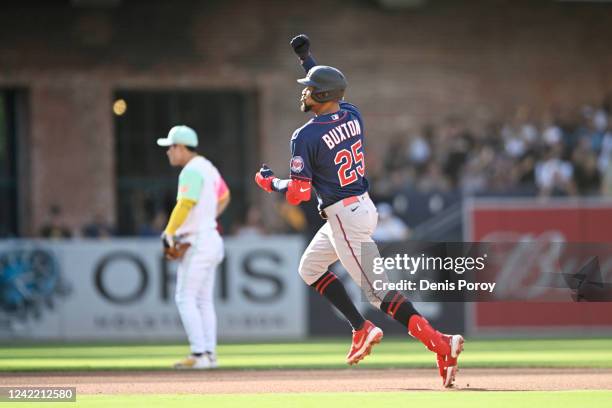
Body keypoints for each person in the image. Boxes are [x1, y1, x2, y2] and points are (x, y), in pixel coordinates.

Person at [254, 34, 463, 387]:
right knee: (310, 268)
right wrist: (307, 59)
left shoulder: (304, 136)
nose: (303, 92)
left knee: (378, 294)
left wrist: (271, 183)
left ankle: (441, 343)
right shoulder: (351, 113)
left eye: (308, 88)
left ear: (320, 97)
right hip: (361, 206)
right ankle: (360, 327)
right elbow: (334, 90)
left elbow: (299, 194)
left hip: (343, 218)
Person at [157, 125, 231, 369]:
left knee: (184, 297)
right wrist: (208, 218)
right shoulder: (208, 167)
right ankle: (209, 355)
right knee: (203, 301)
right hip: (211, 238)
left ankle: (199, 354)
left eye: (170, 147)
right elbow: (225, 196)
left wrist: (169, 231)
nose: (168, 152)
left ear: (179, 147)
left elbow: (185, 203)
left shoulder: (190, 170)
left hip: (199, 241)